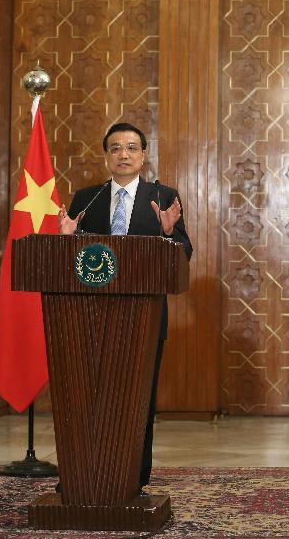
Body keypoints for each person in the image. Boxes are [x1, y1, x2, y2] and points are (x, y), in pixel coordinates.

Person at [58, 122, 192, 492]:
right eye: (116, 148)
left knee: (137, 403)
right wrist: (66, 241)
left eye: (132, 148)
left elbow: (185, 255)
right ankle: (82, 477)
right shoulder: (87, 199)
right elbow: (72, 263)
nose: (124, 155)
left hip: (144, 318)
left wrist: (168, 234)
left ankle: (133, 479)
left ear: (144, 155)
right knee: (87, 399)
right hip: (89, 318)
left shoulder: (164, 197)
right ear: (106, 155)